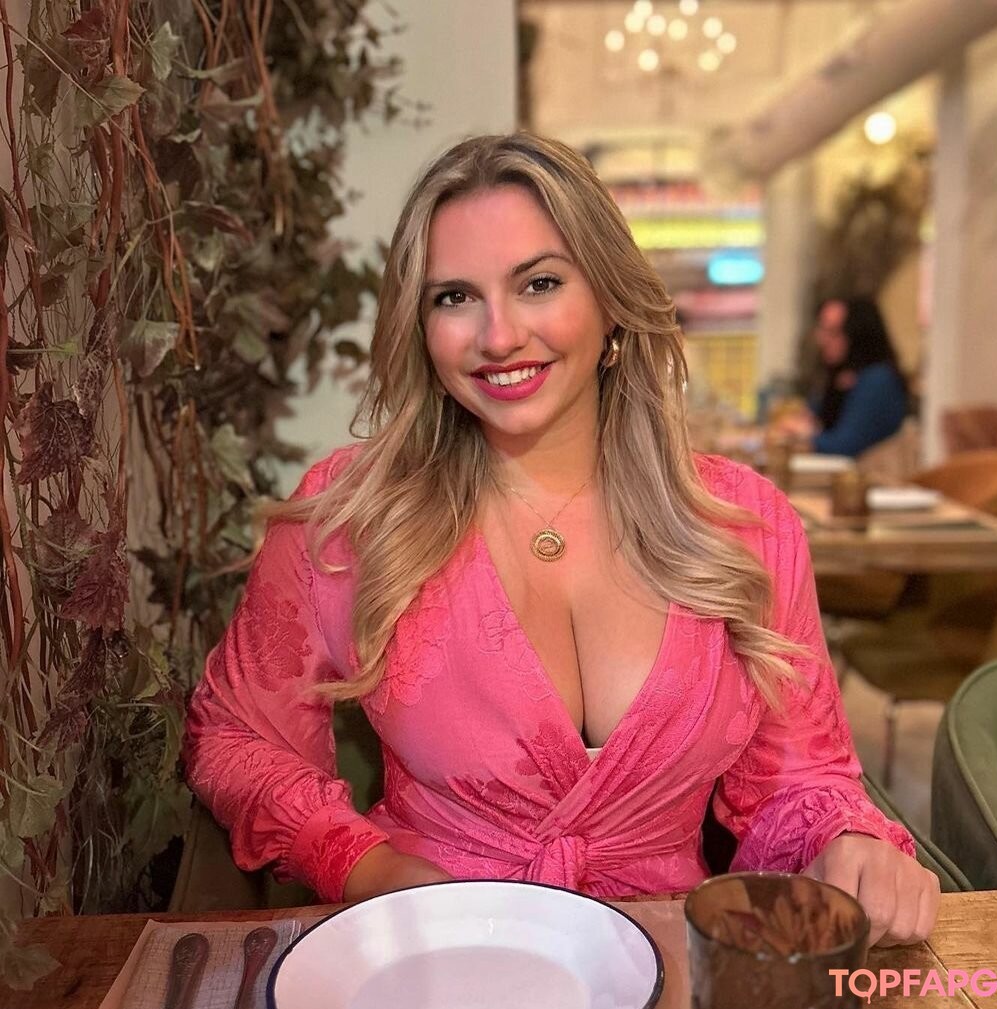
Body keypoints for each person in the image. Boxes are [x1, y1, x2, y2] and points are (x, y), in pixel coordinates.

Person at [183, 134, 938, 946]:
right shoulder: (351, 517)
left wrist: (847, 839)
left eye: (539, 283)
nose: (499, 335)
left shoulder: (744, 526)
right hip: (436, 957)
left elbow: (799, 780)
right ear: (419, 325)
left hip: (671, 960)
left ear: (610, 299)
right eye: (454, 297)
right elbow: (236, 739)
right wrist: (365, 865)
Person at [776, 298, 908, 457]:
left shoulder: (878, 380)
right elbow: (810, 417)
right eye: (822, 330)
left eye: (833, 332)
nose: (822, 340)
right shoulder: (837, 374)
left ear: (859, 335)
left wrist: (805, 435)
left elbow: (845, 445)